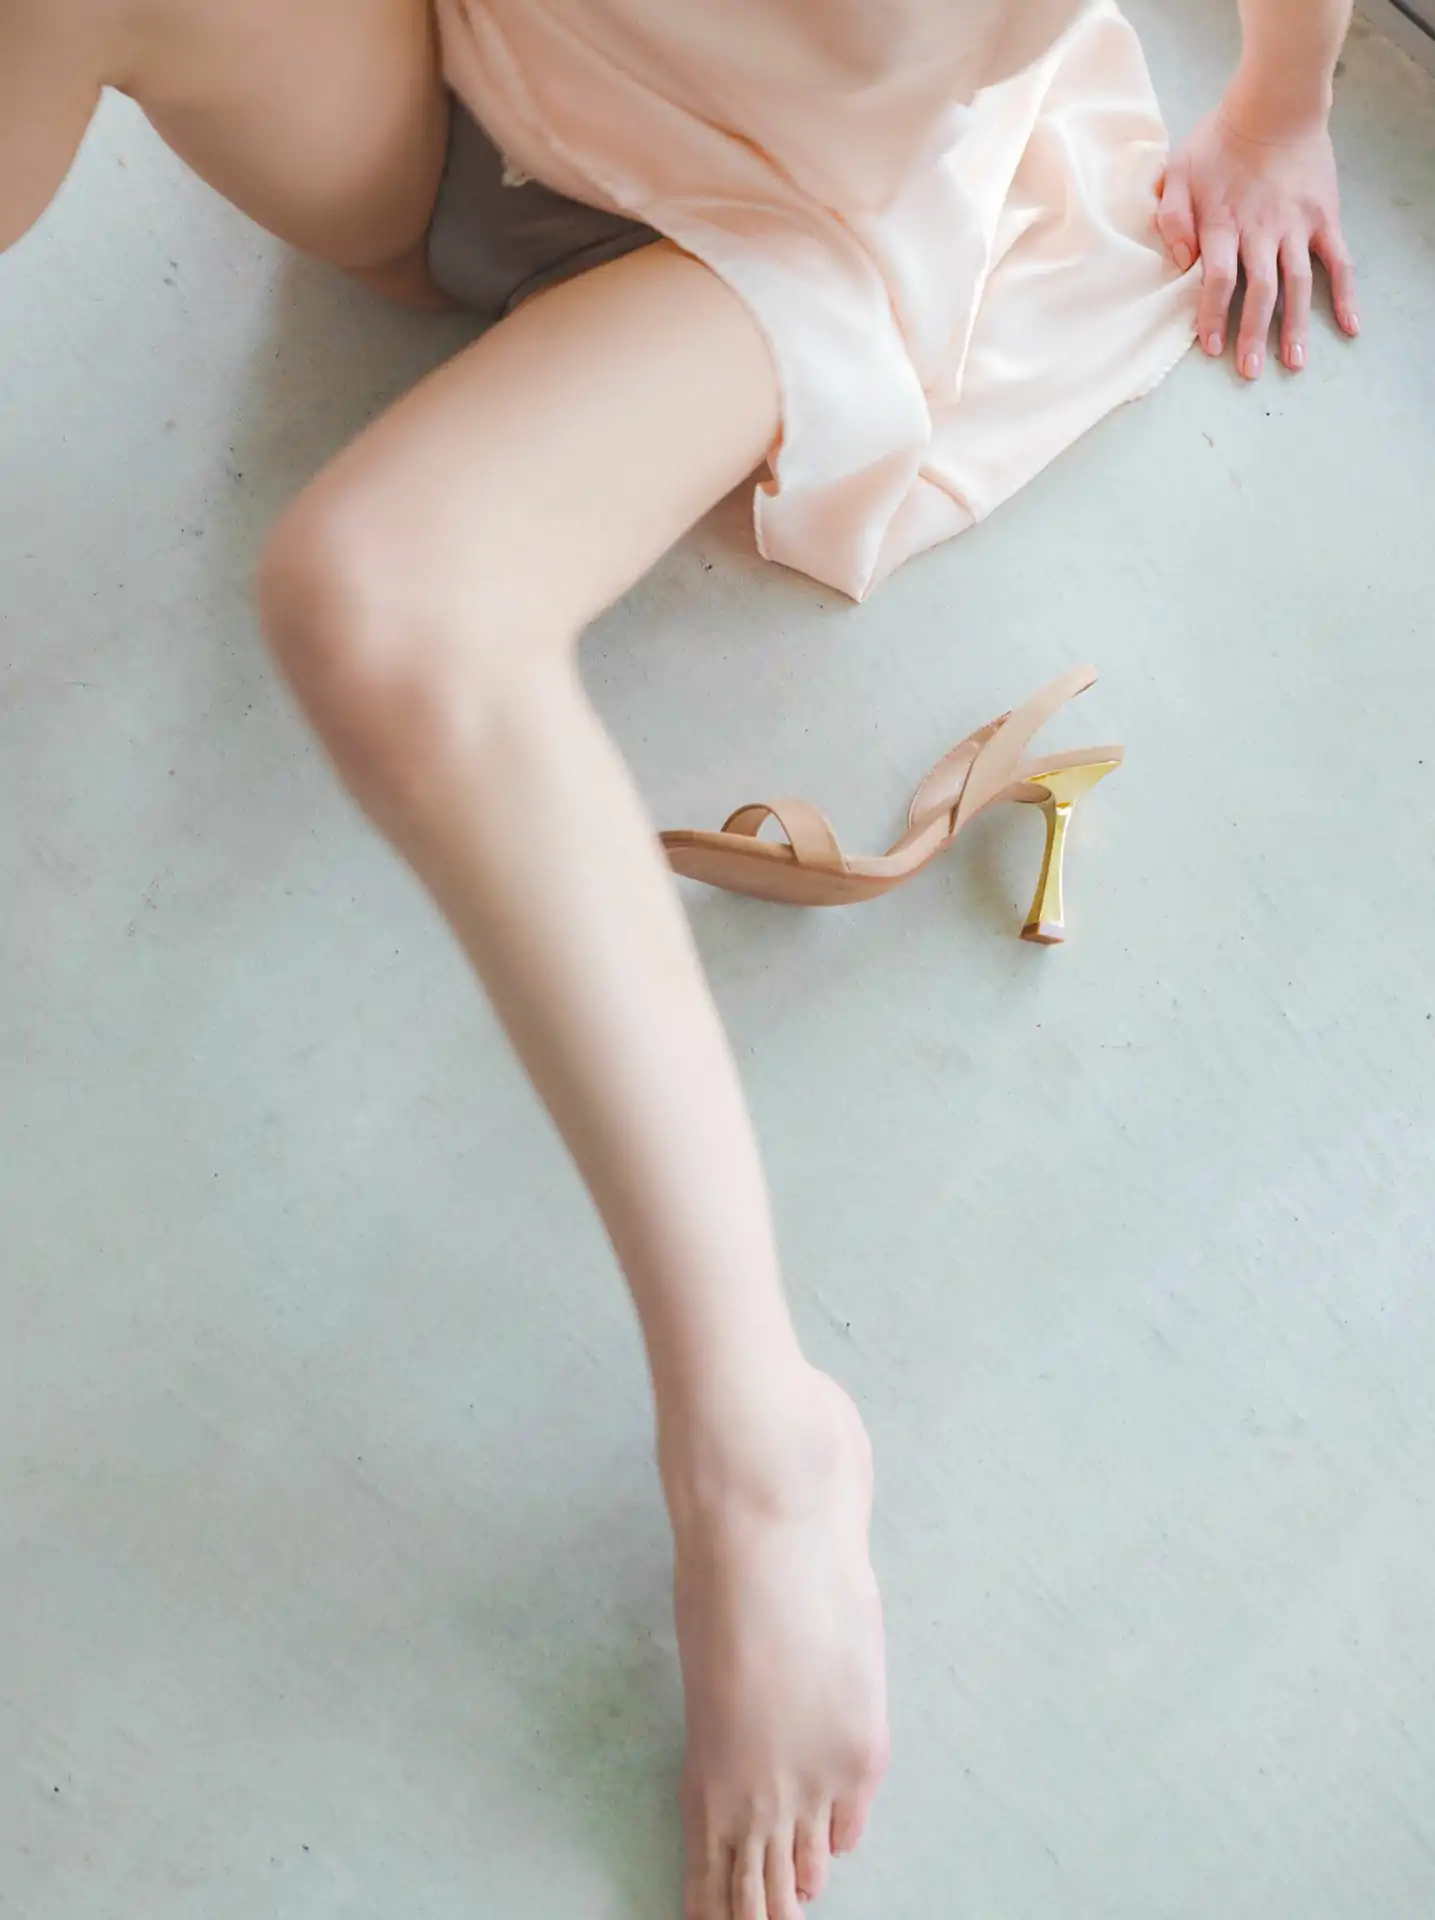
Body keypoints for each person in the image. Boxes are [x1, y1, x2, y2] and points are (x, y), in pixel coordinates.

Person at [1, 2, 1358, 1915]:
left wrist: (1277, 105)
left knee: (379, 603)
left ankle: (758, 1446)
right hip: (440, 69)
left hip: (752, 237)